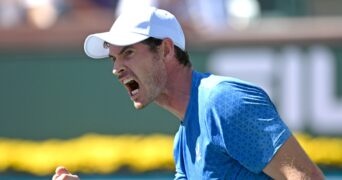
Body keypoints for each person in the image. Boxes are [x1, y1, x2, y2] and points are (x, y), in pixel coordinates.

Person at [52, 6, 324, 180]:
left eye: (129, 53)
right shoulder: (182, 143)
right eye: (114, 59)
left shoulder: (223, 101)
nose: (117, 69)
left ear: (166, 50)